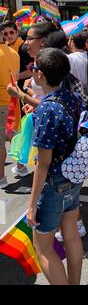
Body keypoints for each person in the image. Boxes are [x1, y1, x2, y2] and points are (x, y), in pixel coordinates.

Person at [26, 48, 83, 285]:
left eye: (33, 68)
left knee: (43, 247)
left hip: (53, 183)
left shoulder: (47, 110)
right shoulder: (72, 97)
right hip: (74, 177)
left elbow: (43, 163)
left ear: (40, 75)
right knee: (71, 236)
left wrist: (31, 205)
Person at [0, 24, 20, 189]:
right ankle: (21, 166)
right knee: (14, 136)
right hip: (13, 100)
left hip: (1, 102)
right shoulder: (14, 53)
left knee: (1, 143)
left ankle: (1, 178)